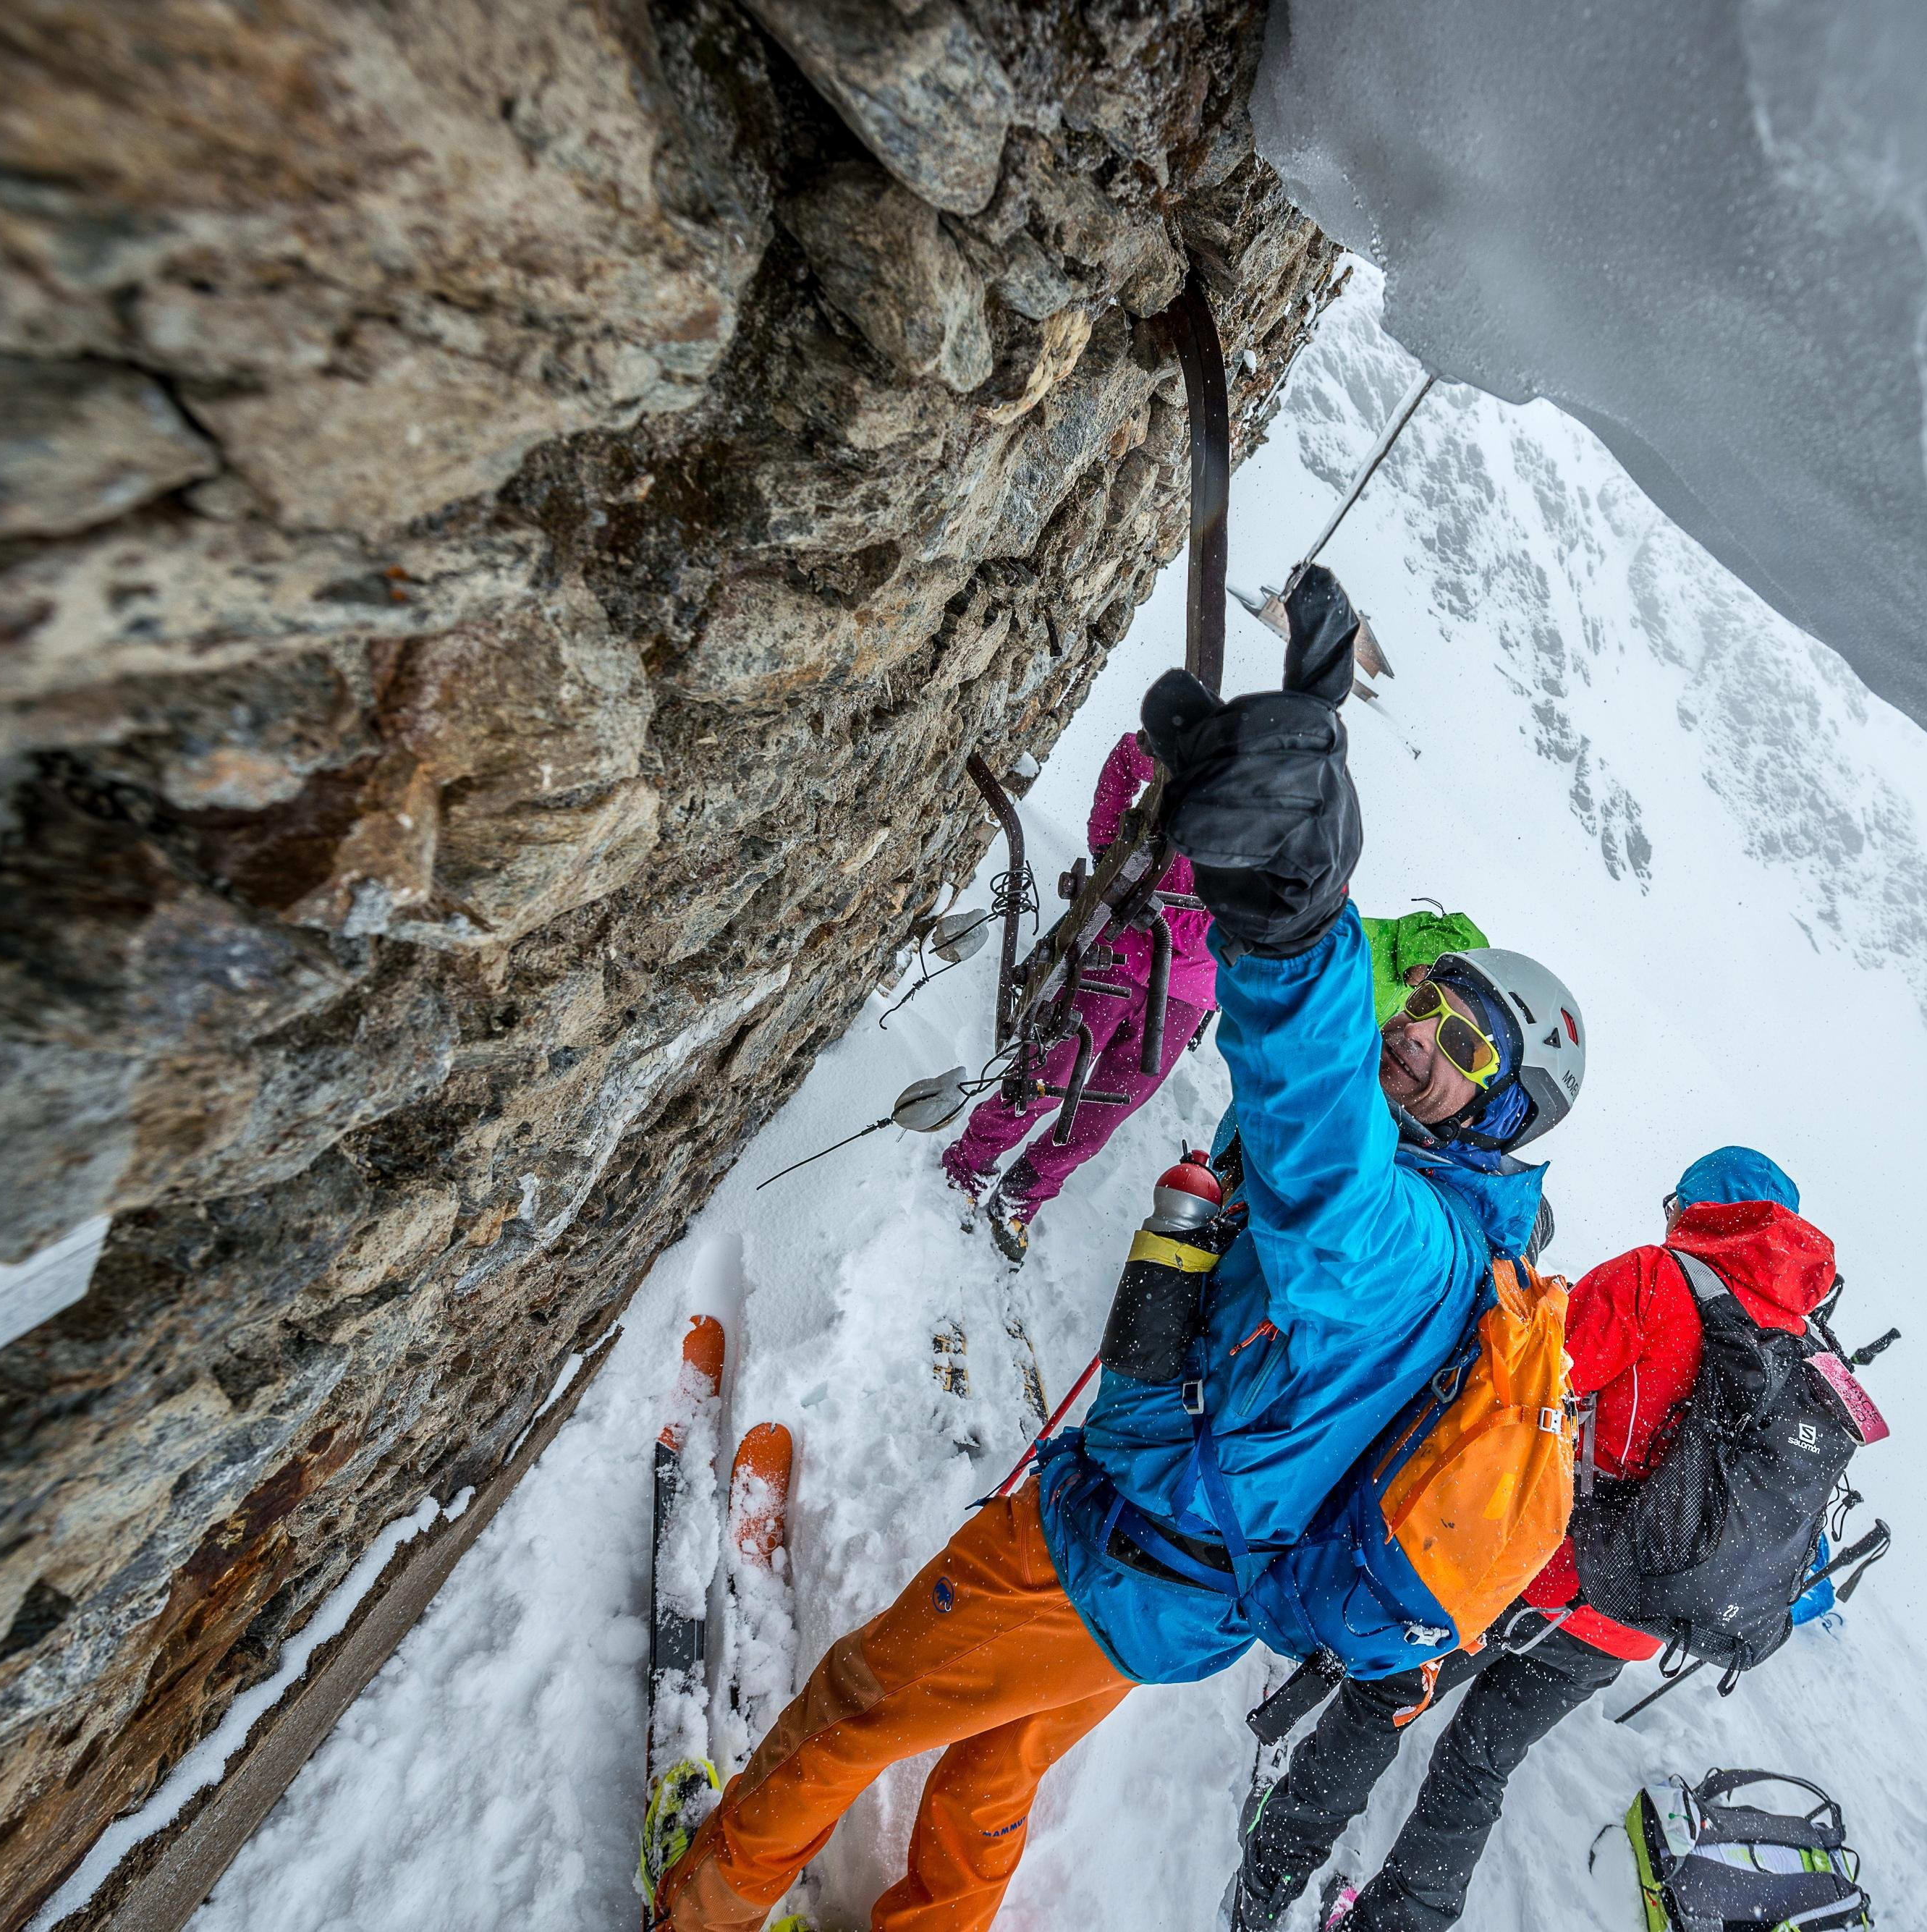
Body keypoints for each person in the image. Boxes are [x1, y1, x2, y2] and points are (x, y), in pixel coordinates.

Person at [653, 566, 1591, 1932]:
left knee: (862, 1705)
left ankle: (700, 1909)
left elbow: (1324, 1151)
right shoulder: (1466, 1244)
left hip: (1108, 1545)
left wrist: (1292, 922)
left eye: (1463, 1053)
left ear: (1503, 1114)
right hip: (1181, 1593)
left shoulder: (1412, 1243)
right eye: (1429, 1005)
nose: (1420, 1038)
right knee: (995, 1763)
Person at [1224, 1147, 1837, 1932]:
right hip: (1630, 1618)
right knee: (1476, 1768)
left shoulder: (1653, 1277)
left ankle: (1267, 1879)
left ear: (1697, 1207)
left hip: (1523, 1572)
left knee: (1382, 1703)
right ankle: (1395, 1922)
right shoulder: (1804, 1356)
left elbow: (1524, 1388)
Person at [942, 729, 1219, 1262]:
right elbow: (1127, 757)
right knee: (1048, 1079)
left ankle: (1021, 1197)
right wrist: (1107, 843)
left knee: (1097, 1121)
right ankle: (969, 1163)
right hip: (1123, 952)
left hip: (1189, 996)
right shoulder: (1196, 767)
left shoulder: (1288, 836)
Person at [1359, 904, 1488, 1025]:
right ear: (1428, 945)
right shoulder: (1366, 939)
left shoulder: (1409, 992)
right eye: (1433, 970)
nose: (1430, 981)